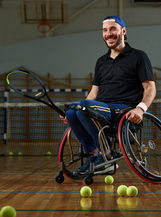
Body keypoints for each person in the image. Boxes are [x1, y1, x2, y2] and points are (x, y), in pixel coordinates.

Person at [60, 15, 156, 174]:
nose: (108, 33)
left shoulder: (139, 56)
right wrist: (75, 111)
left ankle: (107, 156)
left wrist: (140, 109)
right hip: (101, 108)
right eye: (105, 30)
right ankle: (94, 155)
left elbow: (150, 87)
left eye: (113, 29)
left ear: (123, 31)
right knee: (72, 111)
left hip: (124, 110)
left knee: (83, 108)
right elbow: (94, 92)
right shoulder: (101, 61)